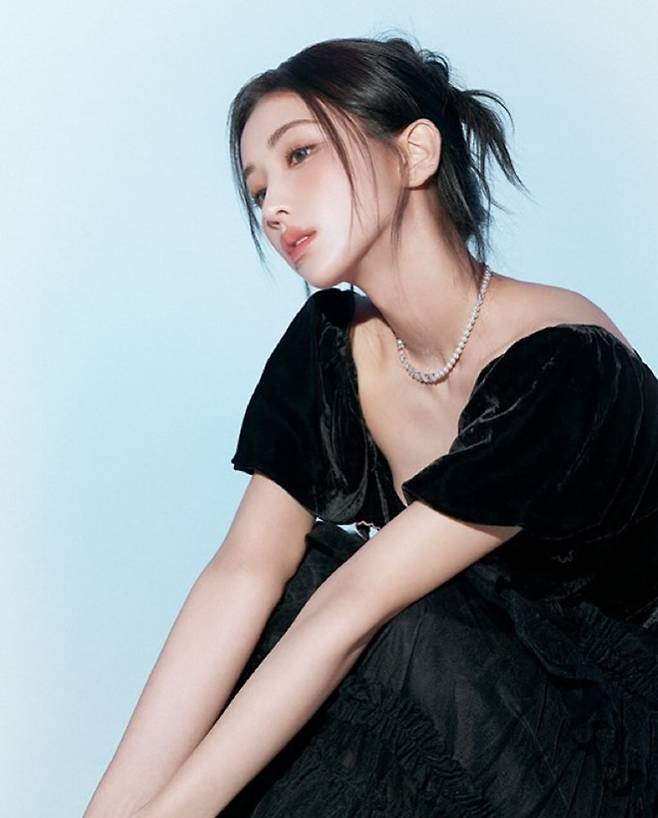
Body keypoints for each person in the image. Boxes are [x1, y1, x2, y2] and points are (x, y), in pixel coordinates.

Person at [84, 34, 658, 818]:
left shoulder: (562, 361)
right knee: (284, 594)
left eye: (300, 155)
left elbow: (356, 606)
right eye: (257, 189)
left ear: (414, 152)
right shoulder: (332, 349)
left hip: (620, 740)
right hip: (490, 715)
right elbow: (241, 574)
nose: (272, 207)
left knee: (365, 607)